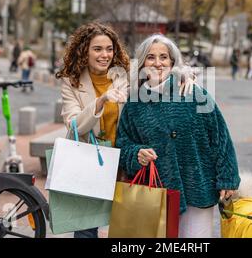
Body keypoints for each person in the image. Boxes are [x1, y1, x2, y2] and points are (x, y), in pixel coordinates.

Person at [55, 23, 195, 238]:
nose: (105, 55)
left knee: (127, 225)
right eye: (98, 49)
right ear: (84, 51)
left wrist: (185, 74)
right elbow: (75, 125)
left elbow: (160, 71)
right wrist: (101, 101)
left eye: (109, 49)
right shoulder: (71, 82)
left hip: (123, 161)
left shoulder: (126, 75)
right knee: (86, 231)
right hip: (89, 161)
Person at [116, 34, 240, 238]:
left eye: (163, 57)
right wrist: (136, 154)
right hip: (155, 192)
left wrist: (227, 178)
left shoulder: (194, 94)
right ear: (142, 63)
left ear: (172, 61)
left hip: (197, 186)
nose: (157, 63)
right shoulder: (134, 104)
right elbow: (123, 144)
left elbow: (220, 137)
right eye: (151, 57)